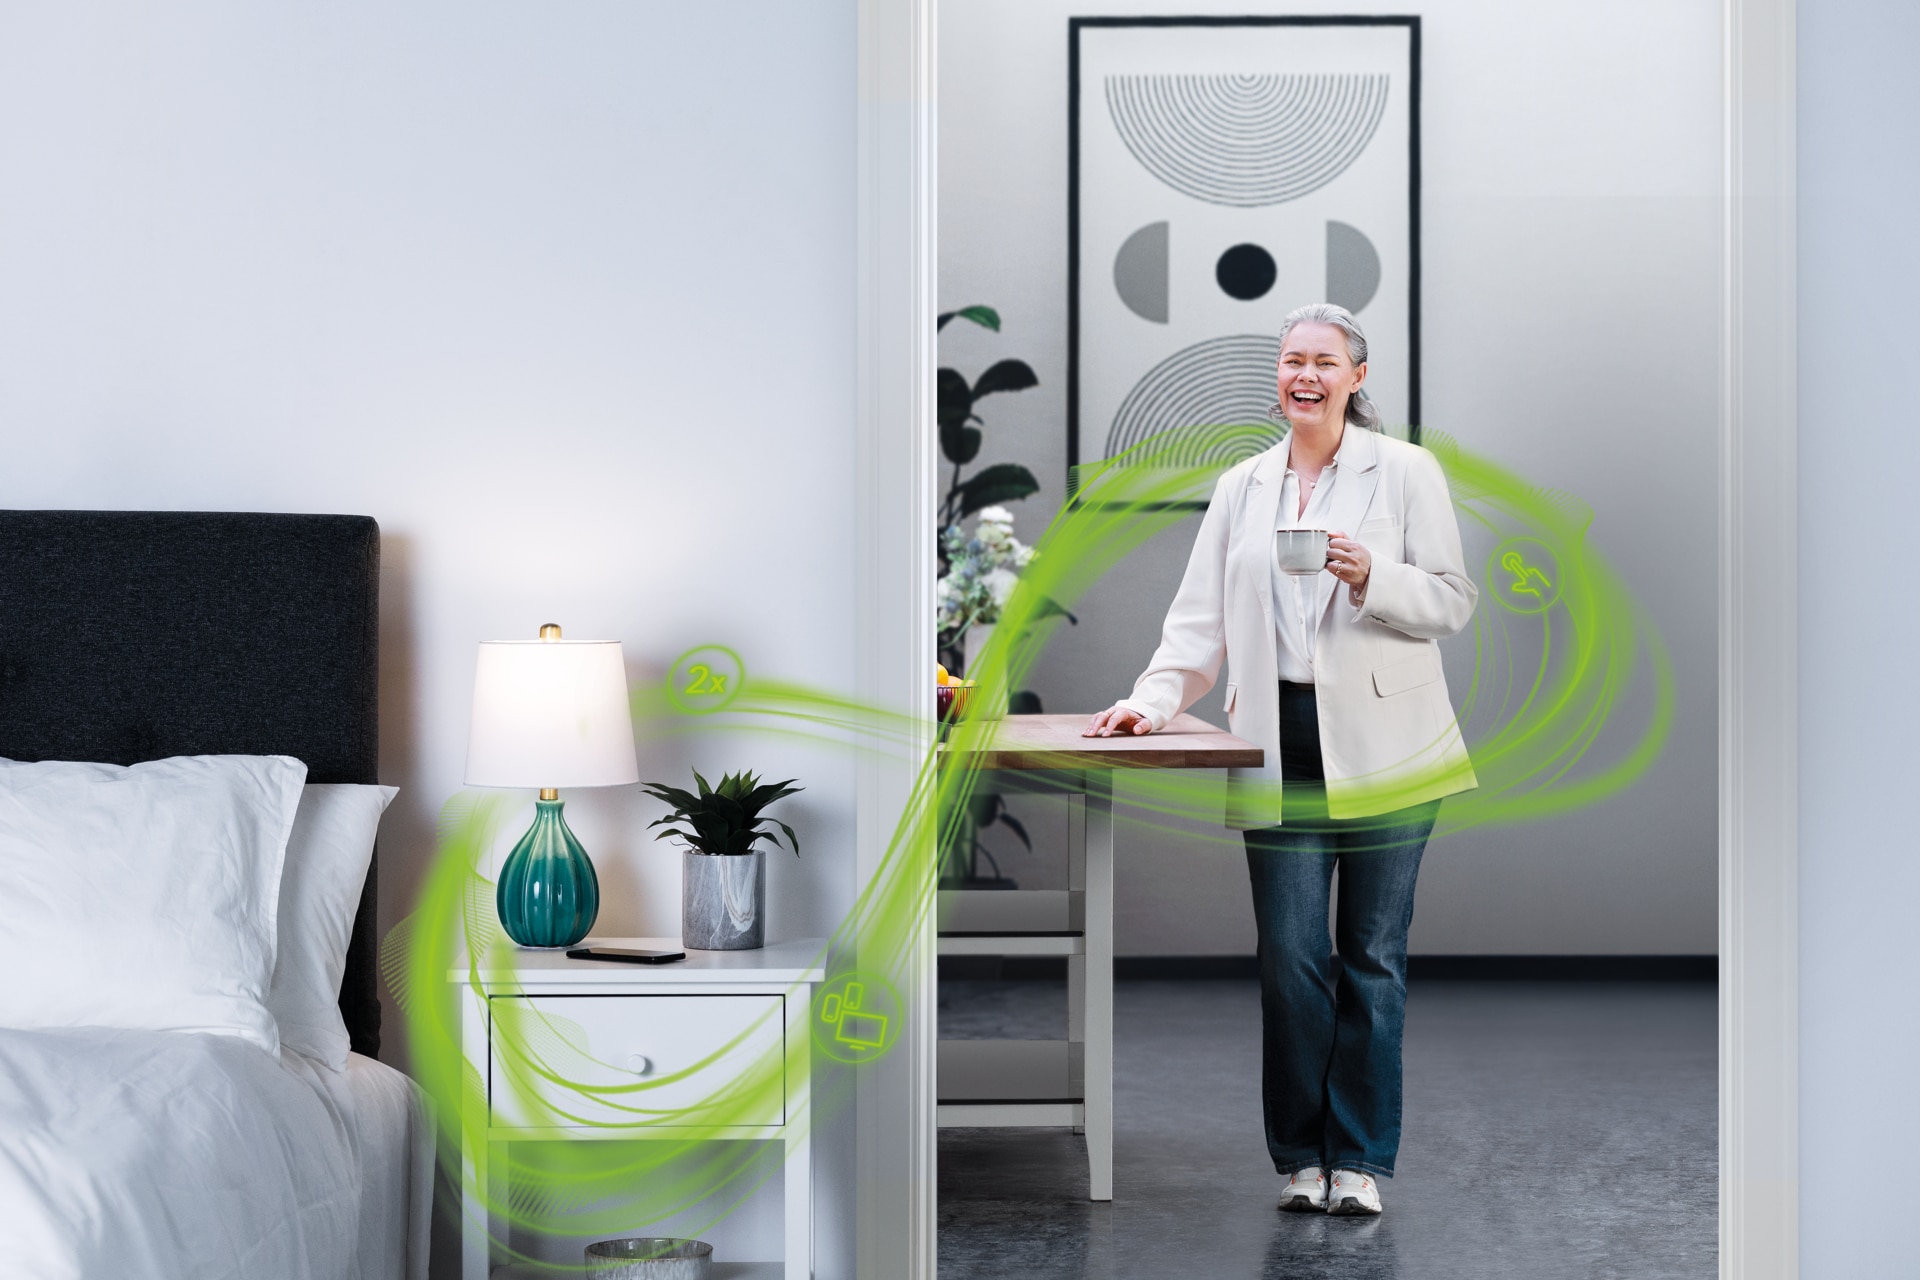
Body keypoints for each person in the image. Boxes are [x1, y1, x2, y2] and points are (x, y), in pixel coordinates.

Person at [1083, 303, 1478, 1217]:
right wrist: (1148, 702)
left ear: (1356, 377)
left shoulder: (1407, 473)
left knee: (1372, 957)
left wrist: (1369, 576)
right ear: (1280, 376)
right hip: (1278, 736)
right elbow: (1197, 619)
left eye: (1324, 361)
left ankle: (1363, 1160)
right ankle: (1303, 1154)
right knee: (1292, 959)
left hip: (1392, 746)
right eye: (1292, 359)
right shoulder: (1244, 485)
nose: (1305, 374)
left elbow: (1454, 601)